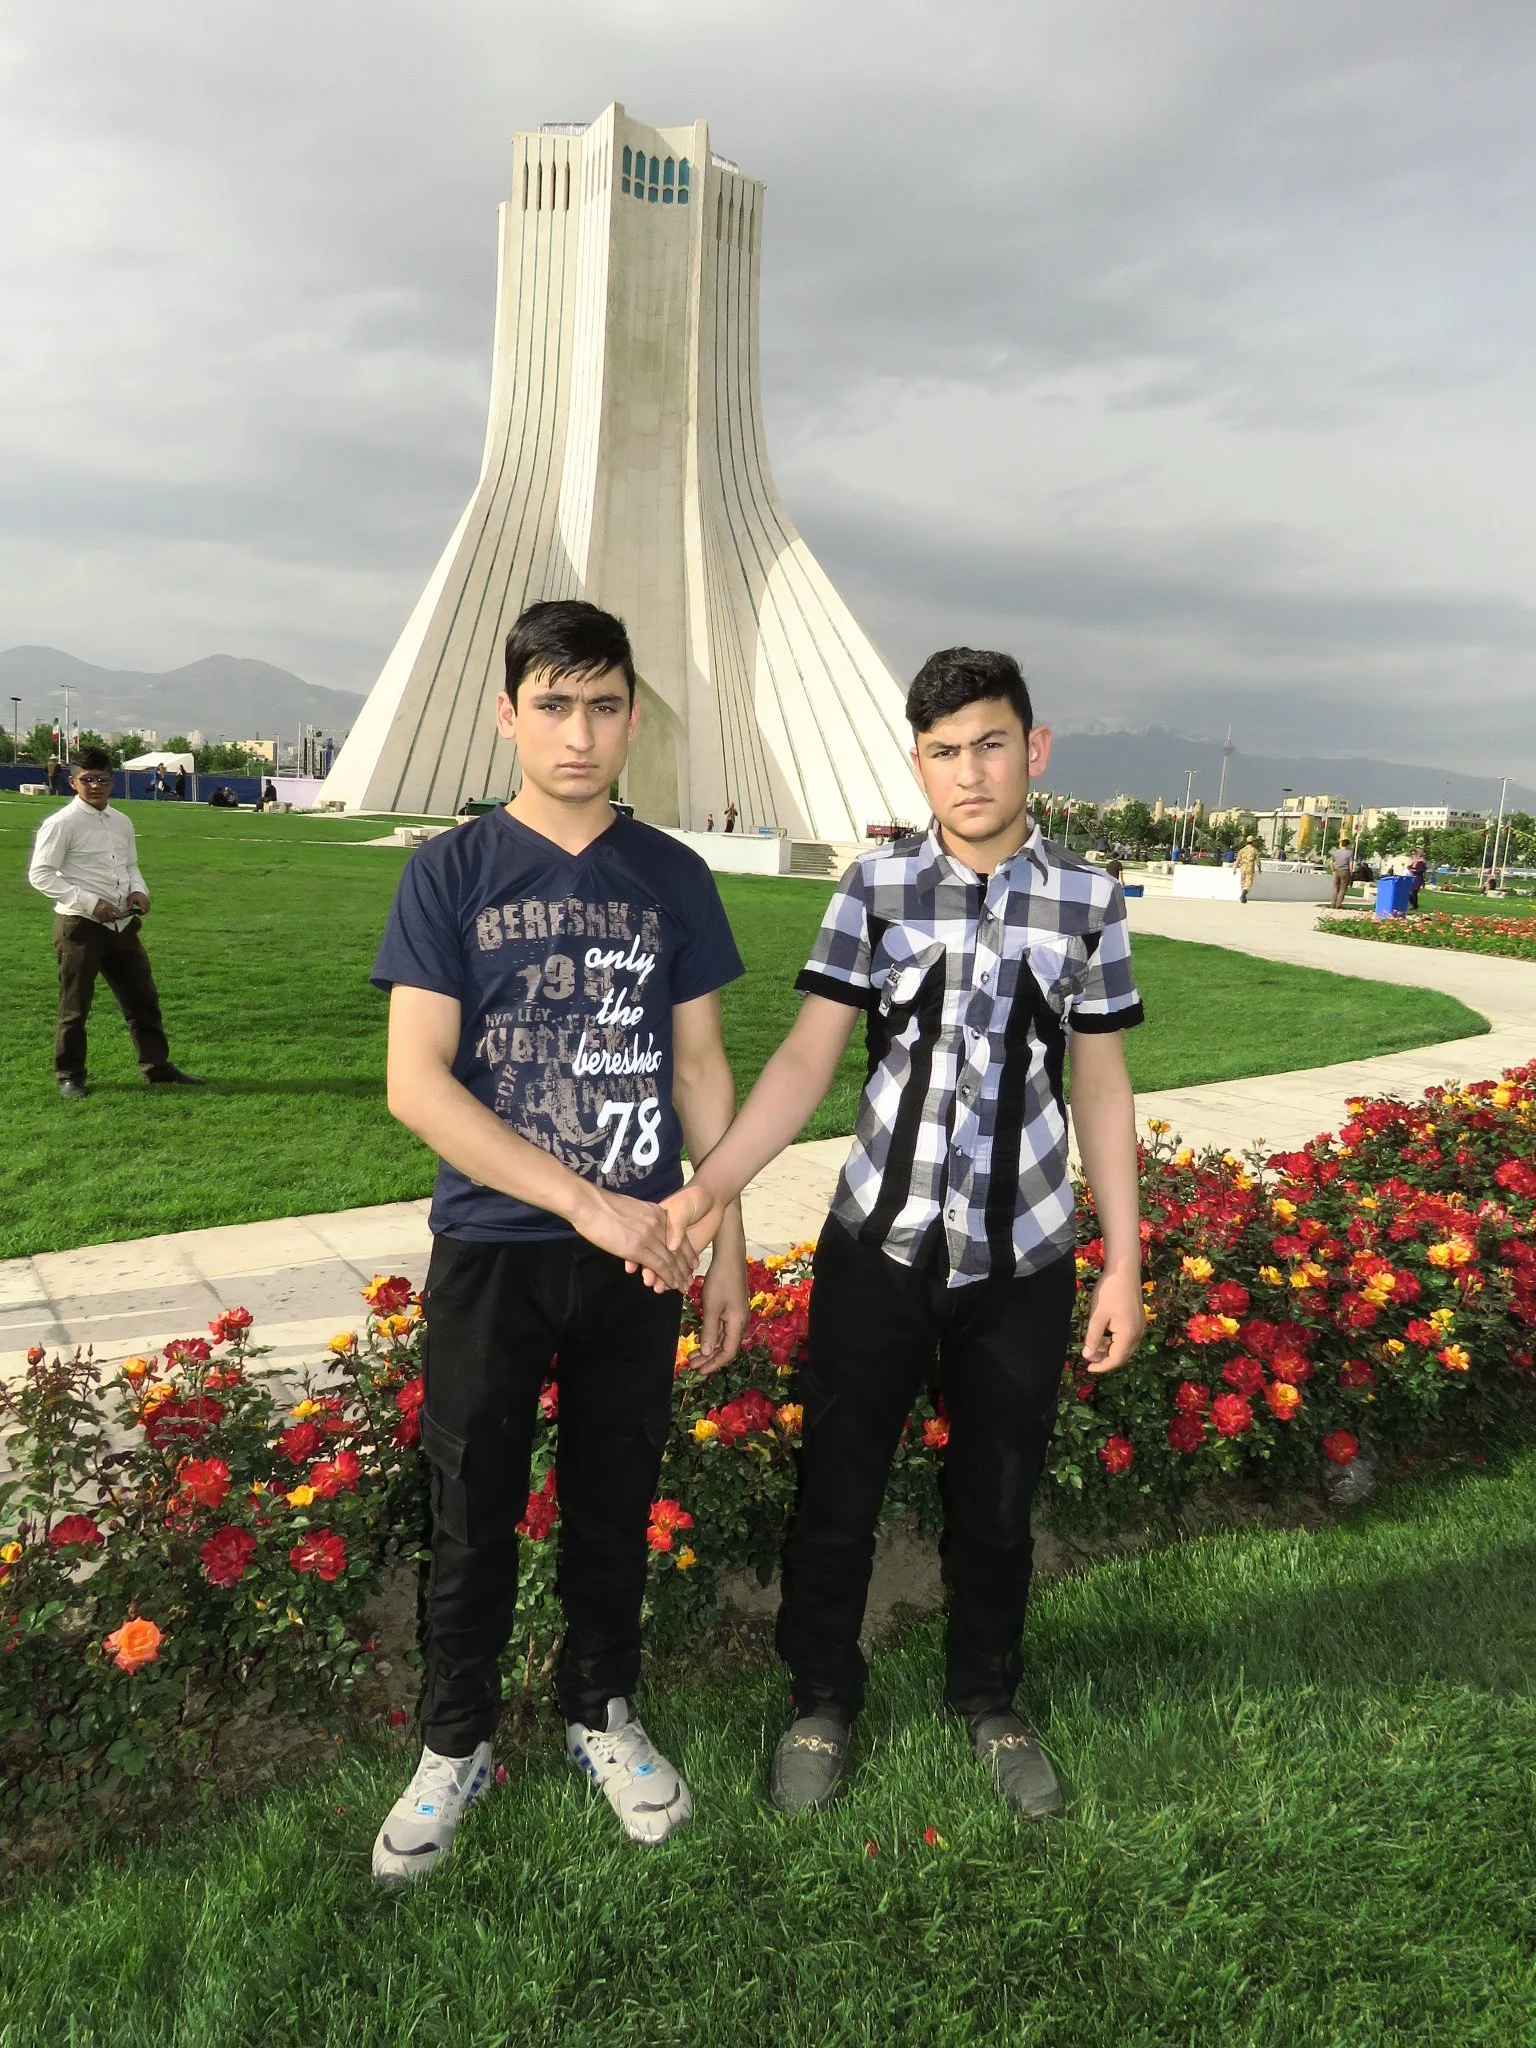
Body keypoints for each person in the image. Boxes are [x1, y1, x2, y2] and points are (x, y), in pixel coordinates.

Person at [662, 646, 1146, 1821]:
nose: (968, 771)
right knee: (838, 1486)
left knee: (997, 1492)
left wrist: (1124, 1259)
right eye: (942, 750)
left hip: (1021, 1254)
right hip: (877, 1244)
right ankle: (821, 1698)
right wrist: (710, 1186)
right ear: (917, 761)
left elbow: (1103, 1086)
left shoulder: (1089, 900)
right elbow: (802, 1061)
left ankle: (989, 1697)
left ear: (1033, 749)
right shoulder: (873, 889)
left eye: (990, 743)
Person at [367, 599, 749, 1884]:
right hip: (495, 1247)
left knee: (612, 1496)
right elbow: (418, 1083)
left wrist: (727, 1237)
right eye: (552, 704)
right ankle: (454, 1740)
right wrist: (585, 1200)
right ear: (506, 712)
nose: (578, 733)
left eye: (602, 706)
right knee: (471, 1503)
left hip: (643, 1255)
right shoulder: (452, 872)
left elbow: (699, 1066)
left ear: (634, 716)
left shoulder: (672, 876)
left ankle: (602, 1710)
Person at [27, 747, 206, 1099]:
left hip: (122, 926)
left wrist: (139, 891)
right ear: (73, 782)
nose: (95, 786)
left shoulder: (121, 821)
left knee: (143, 1000)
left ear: (112, 780)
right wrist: (92, 903)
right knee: (75, 1005)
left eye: (102, 779)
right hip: (80, 926)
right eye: (87, 779)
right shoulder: (61, 823)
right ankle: (70, 1075)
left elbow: (129, 865)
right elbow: (41, 875)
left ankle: (157, 1068)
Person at [1329, 836, 1354, 910]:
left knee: (1335, 887)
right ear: (1348, 845)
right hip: (1345, 871)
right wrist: (1351, 872)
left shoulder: (1335, 852)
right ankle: (1338, 904)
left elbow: (1331, 862)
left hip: (1337, 870)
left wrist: (1333, 870)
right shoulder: (1349, 853)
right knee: (1343, 889)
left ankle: (1332, 903)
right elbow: (1351, 863)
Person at [1235, 837, 1261, 903]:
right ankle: (1243, 894)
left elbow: (1238, 860)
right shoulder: (1255, 850)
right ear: (1252, 842)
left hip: (1242, 867)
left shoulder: (1242, 850)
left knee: (1243, 882)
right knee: (1249, 882)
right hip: (1250, 867)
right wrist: (1259, 868)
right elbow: (1257, 861)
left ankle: (1242, 896)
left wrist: (1235, 868)